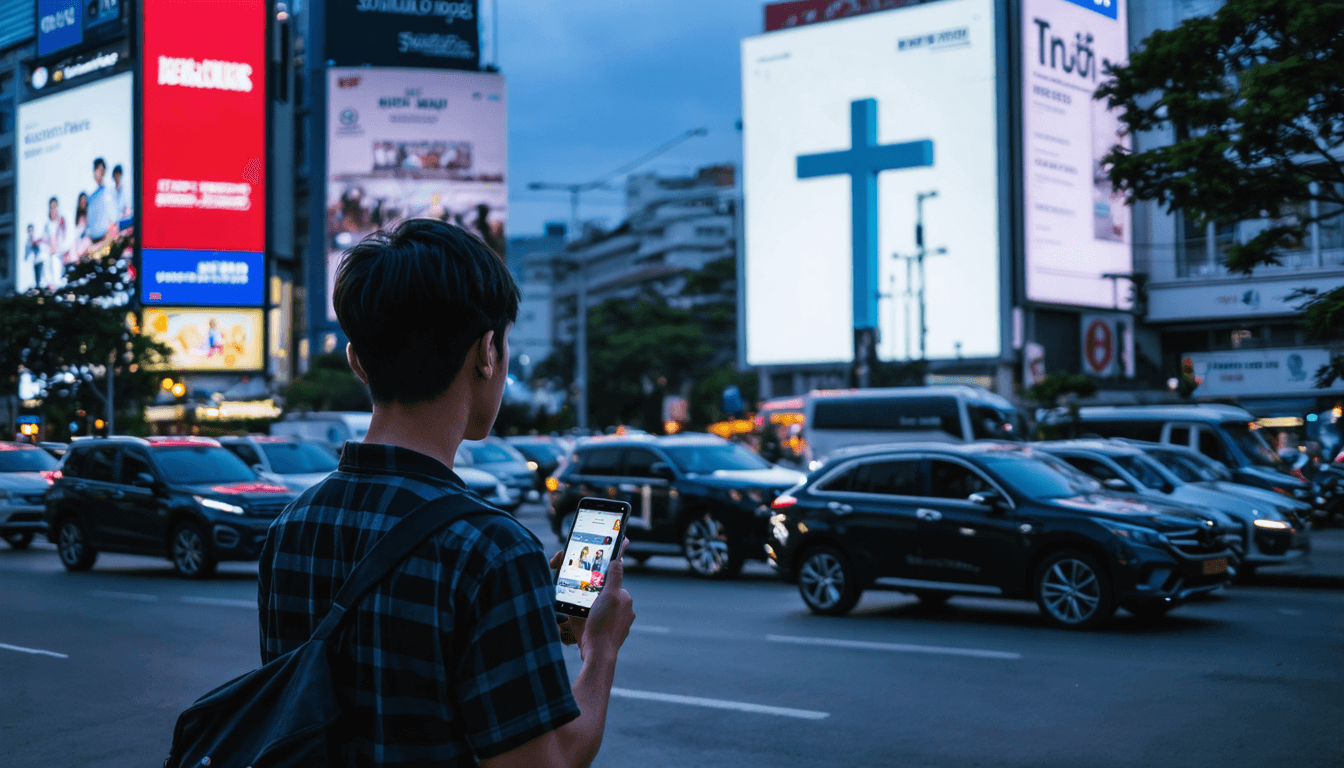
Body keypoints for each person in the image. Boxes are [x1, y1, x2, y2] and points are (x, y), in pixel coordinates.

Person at [258, 218, 635, 768]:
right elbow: (546, 762)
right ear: (487, 352)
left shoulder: (288, 529)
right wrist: (600, 649)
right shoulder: (492, 551)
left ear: (356, 361)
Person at [86, 158, 118, 242]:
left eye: (100, 169)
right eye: (96, 169)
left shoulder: (110, 191)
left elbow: (114, 218)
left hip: (107, 238)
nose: (98, 172)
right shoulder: (91, 197)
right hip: (94, 239)